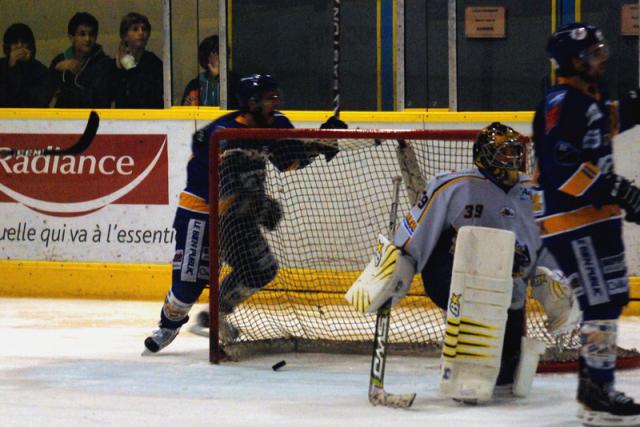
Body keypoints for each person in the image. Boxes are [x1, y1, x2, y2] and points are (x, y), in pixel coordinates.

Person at [143, 74, 347, 354]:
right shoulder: (224, 135)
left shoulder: (274, 124)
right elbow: (225, 193)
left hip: (239, 211)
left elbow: (289, 161)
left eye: (277, 97)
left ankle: (214, 315)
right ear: (251, 103)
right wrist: (259, 206)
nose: (275, 104)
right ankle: (168, 325)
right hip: (202, 212)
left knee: (260, 269)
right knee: (187, 287)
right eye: (269, 99)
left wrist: (322, 140)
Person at [533, 23, 640, 425]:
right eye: (594, 54)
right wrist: (616, 189)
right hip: (572, 221)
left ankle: (596, 386)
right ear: (574, 61)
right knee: (598, 300)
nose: (602, 59)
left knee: (610, 298)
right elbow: (561, 168)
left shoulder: (589, 97)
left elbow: (607, 122)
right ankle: (596, 393)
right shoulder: (561, 102)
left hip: (598, 218)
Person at [50, 12, 112, 108]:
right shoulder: (60, 60)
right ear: (72, 38)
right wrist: (56, 70)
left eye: (91, 34)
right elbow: (46, 94)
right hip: (62, 119)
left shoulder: (104, 63)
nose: (87, 39)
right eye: (82, 34)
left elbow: (99, 99)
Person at [112, 12, 163, 108]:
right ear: (124, 36)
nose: (141, 33)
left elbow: (145, 98)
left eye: (144, 29)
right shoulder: (112, 66)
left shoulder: (154, 64)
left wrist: (130, 66)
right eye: (135, 29)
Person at [0, 23, 54, 108]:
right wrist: (11, 69)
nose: (19, 45)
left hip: (33, 118)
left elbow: (40, 100)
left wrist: (27, 65)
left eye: (24, 41)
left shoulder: (42, 71)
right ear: (7, 46)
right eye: (14, 42)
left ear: (30, 45)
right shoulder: (1, 67)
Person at [181, 35, 219, 106]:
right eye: (214, 53)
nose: (218, 58)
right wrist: (186, 107)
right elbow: (183, 114)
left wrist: (218, 77)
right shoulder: (195, 84)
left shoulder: (233, 82)